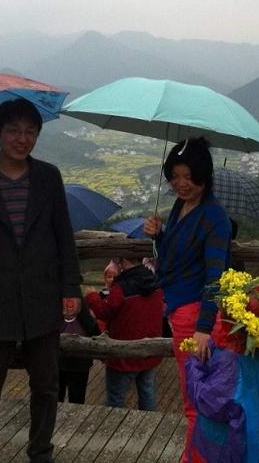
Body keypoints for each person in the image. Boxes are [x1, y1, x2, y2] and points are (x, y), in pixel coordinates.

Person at [0, 98, 83, 463]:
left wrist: (71, 287)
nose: (22, 139)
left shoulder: (48, 176)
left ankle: (41, 452)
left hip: (42, 294)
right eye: (13, 131)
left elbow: (63, 235)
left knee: (46, 385)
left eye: (30, 131)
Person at [144, 137, 232, 461]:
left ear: (203, 176)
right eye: (174, 176)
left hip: (196, 319)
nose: (180, 183)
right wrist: (160, 235)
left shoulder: (214, 217)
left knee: (199, 401)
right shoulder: (181, 208)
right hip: (180, 312)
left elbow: (215, 276)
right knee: (195, 399)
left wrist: (204, 328)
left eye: (188, 176)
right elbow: (173, 256)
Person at [84, 254, 164, 411]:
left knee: (115, 398)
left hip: (123, 353)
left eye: (118, 261)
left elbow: (104, 312)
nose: (117, 264)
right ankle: (149, 424)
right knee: (147, 393)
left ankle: (114, 425)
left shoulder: (120, 288)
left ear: (125, 261)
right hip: (151, 350)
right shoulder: (155, 281)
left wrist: (92, 296)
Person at [58, 298, 100, 404]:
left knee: (55, 397)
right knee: (77, 399)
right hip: (80, 359)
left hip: (58, 358)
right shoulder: (81, 305)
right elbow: (94, 331)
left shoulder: (55, 302)